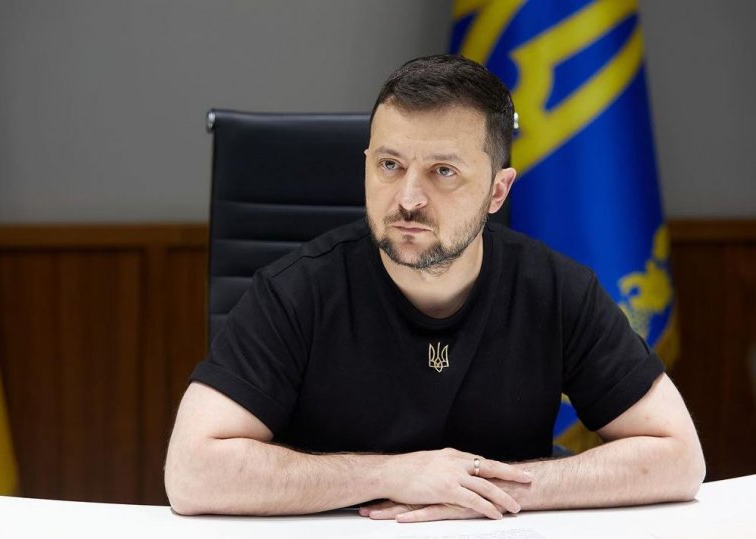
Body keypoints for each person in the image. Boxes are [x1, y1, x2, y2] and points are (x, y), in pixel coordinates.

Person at [164, 54, 705, 523]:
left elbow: (680, 458)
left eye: (443, 171)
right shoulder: (295, 291)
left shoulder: (556, 289)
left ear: (498, 191)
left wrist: (484, 490)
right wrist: (393, 475)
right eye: (389, 165)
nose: (408, 199)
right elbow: (191, 473)